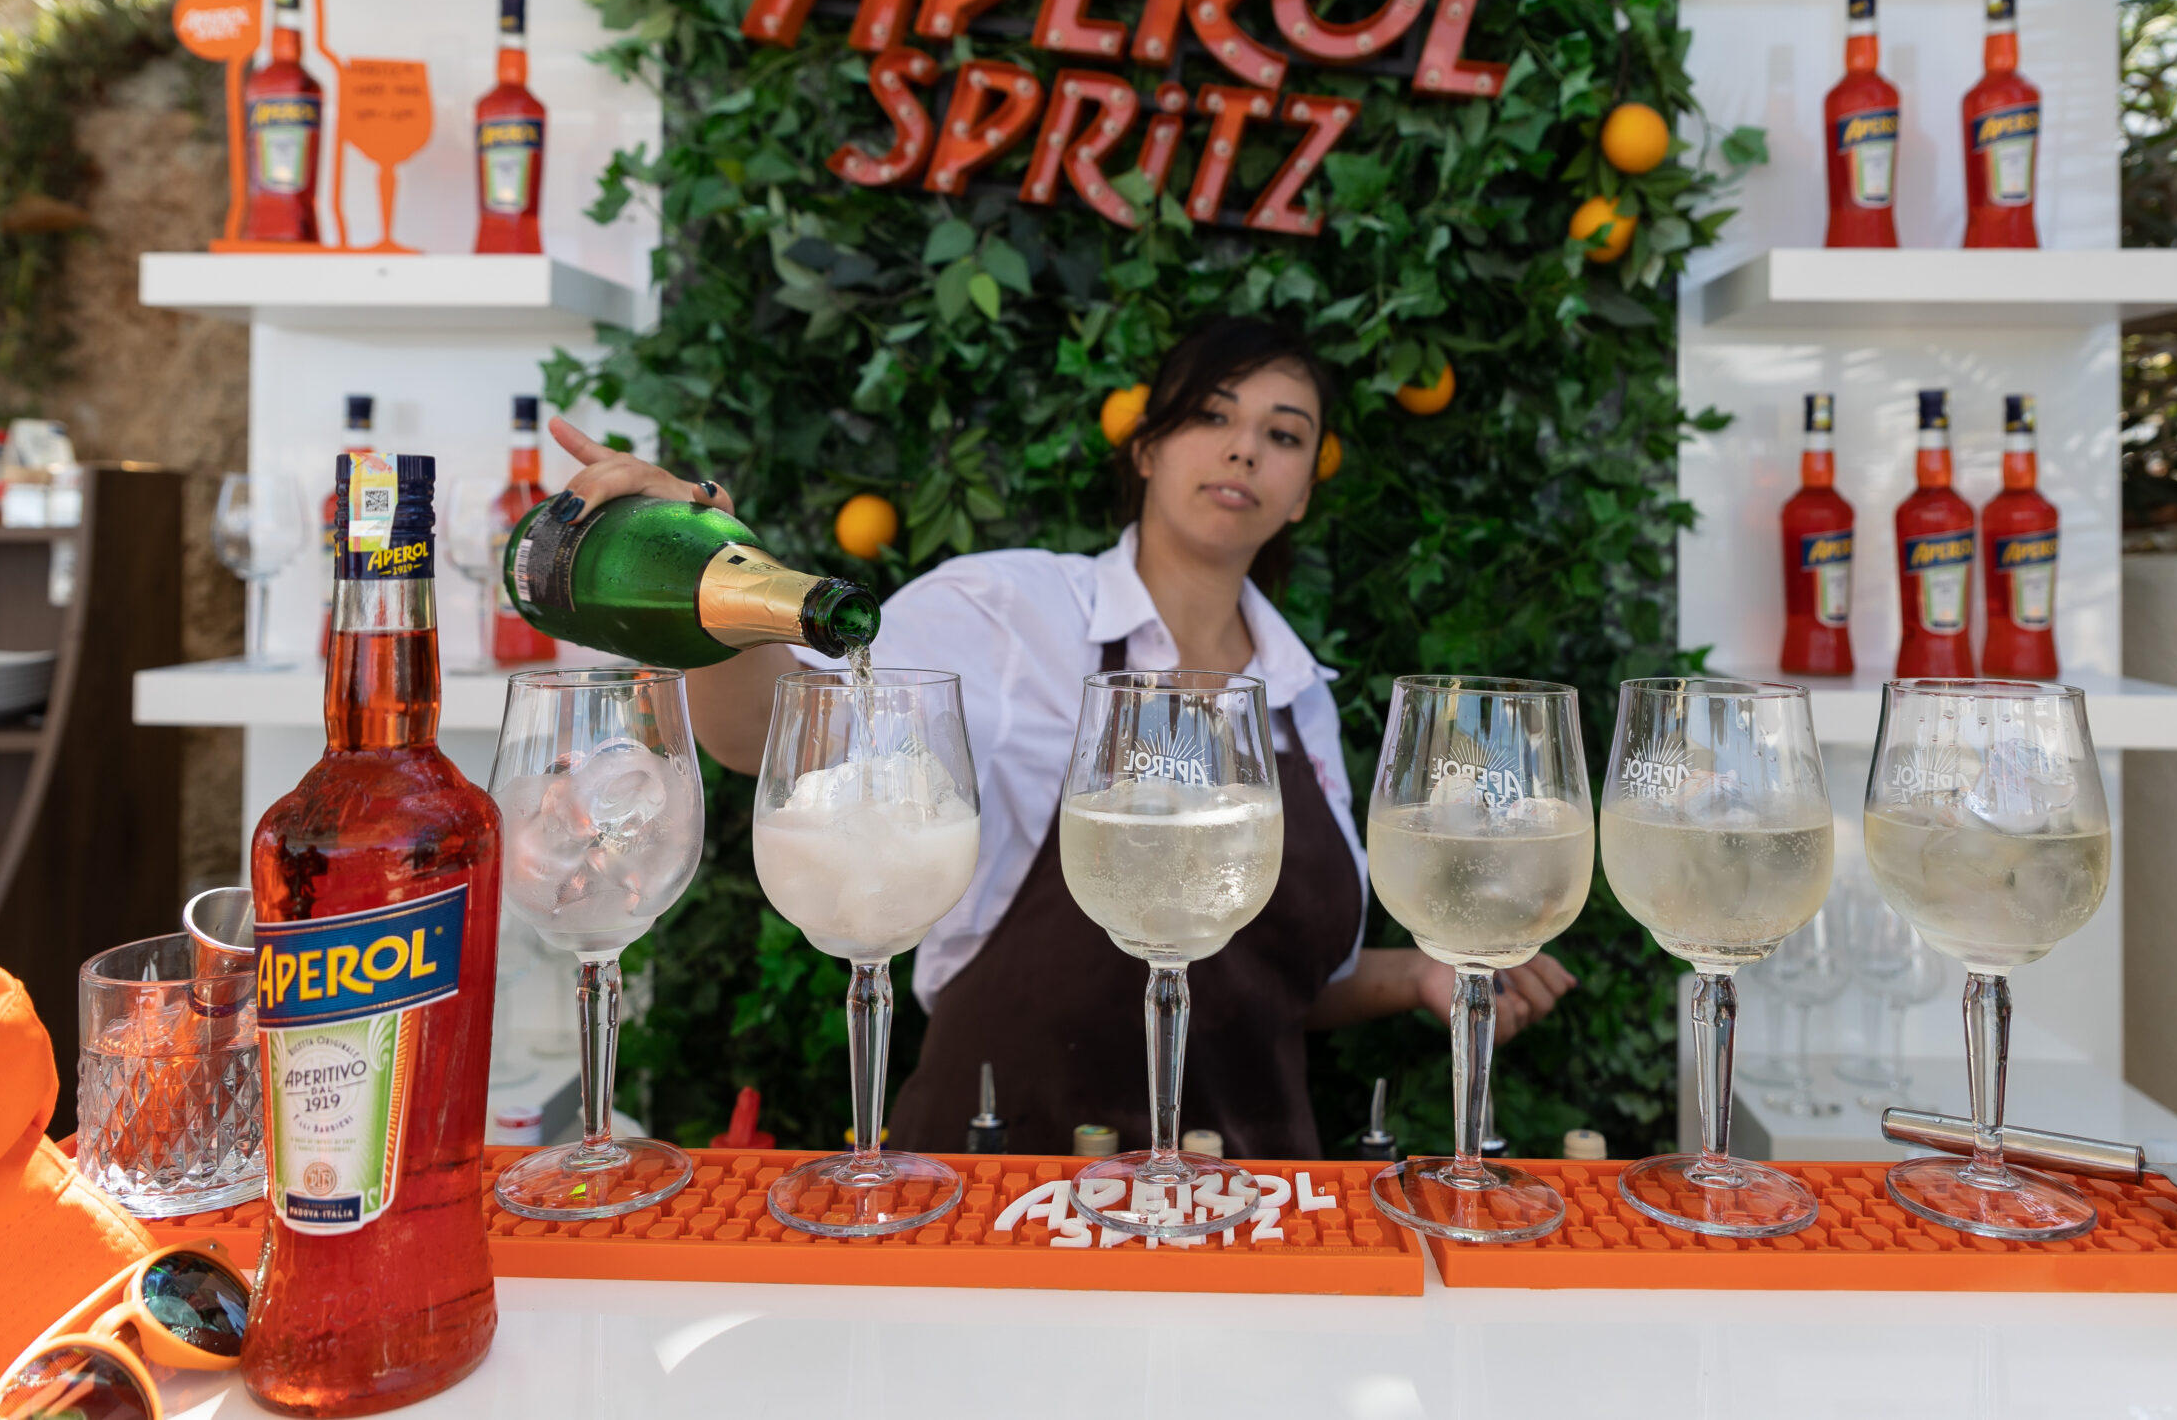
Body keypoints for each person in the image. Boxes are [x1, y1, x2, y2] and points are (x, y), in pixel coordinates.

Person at [549, 316, 1576, 1158]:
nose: (1242, 449)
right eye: (1212, 415)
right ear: (1147, 448)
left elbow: (1270, 973)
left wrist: (1420, 974)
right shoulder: (1010, 611)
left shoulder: (1299, 694)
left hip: (1248, 1188)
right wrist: (705, 577)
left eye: (1283, 433)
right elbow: (775, 732)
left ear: (1305, 487)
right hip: (1006, 1164)